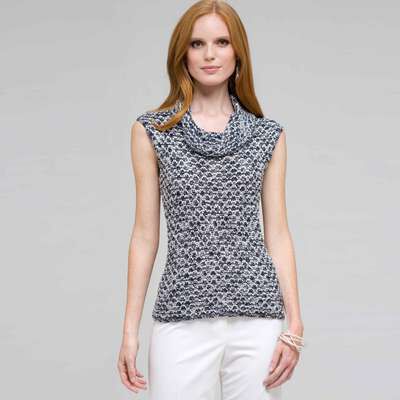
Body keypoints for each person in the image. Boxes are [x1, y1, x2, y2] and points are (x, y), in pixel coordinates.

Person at [118, 1, 305, 399]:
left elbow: (278, 235)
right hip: (181, 318)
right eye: (197, 43)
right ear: (182, 54)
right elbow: (145, 236)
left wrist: (294, 325)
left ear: (238, 53)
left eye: (222, 42)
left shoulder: (267, 136)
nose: (209, 54)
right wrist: (130, 332)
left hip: (257, 320)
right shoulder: (152, 132)